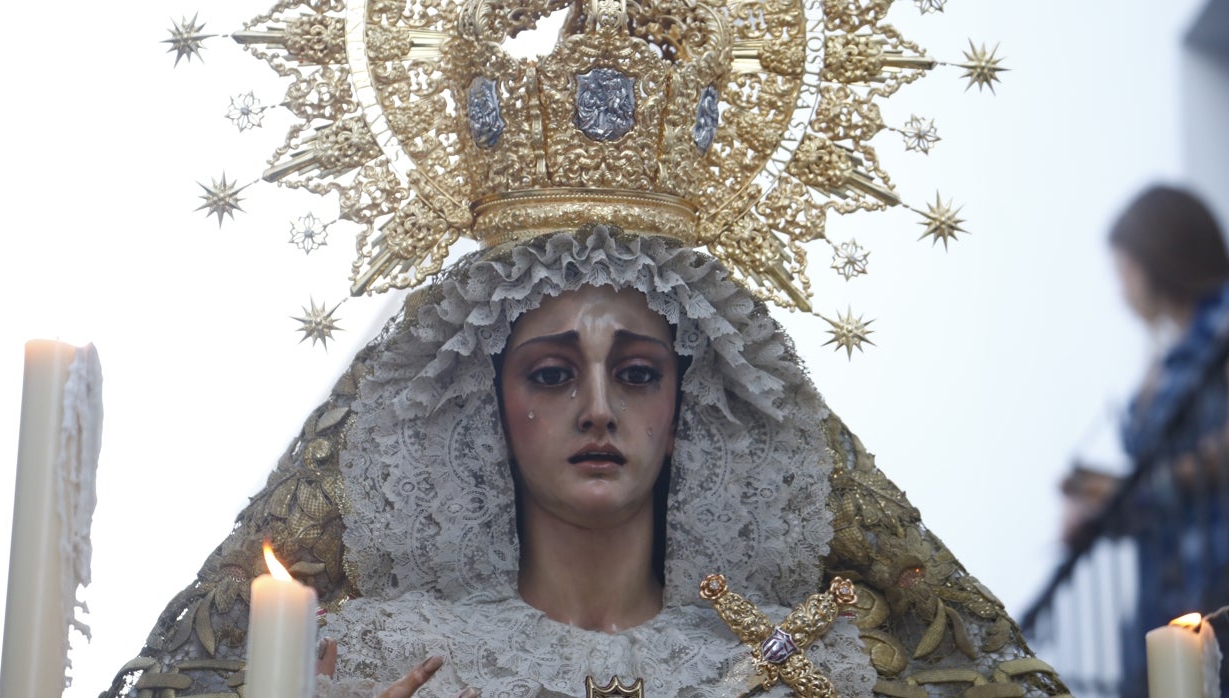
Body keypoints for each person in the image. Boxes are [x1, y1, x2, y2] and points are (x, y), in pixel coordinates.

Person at [108, 0, 1068, 695]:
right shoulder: (378, 662)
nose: (599, 407)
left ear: (694, 407)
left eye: (640, 372)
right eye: (553, 372)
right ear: (487, 406)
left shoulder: (801, 667)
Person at [1062, 184, 1229, 695]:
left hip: (1215, 578)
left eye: (1124, 271)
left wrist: (1127, 493)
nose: (1123, 290)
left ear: (1154, 263)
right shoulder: (1171, 347)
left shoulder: (1221, 325)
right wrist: (1102, 498)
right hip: (1172, 586)